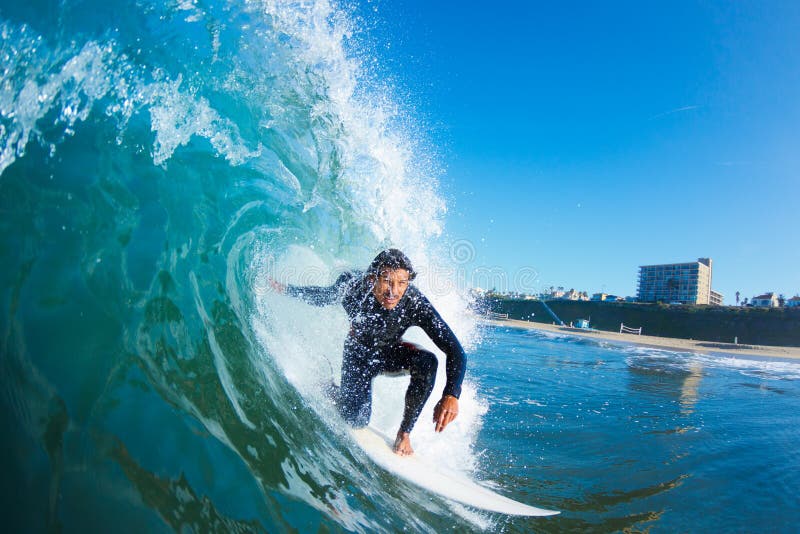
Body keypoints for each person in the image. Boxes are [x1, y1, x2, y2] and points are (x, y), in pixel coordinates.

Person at [271, 249, 466, 456]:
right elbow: (324, 296)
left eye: (402, 283)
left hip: (390, 354)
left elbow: (455, 350)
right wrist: (285, 289)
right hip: (358, 355)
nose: (394, 291)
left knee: (427, 361)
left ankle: (405, 433)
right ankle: (331, 389)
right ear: (372, 278)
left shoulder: (414, 302)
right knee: (356, 419)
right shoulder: (353, 285)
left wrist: (452, 394)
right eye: (387, 281)